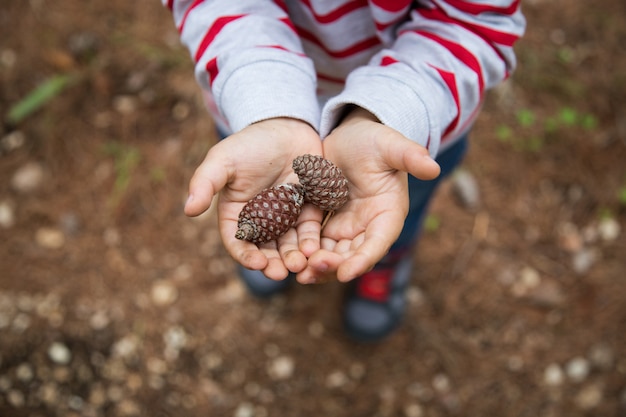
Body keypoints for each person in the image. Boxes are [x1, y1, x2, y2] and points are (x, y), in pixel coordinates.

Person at [163, 0, 526, 341]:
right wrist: (268, 103)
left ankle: (387, 259)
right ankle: (273, 251)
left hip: (408, 123)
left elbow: (470, 23)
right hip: (254, 111)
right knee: (274, 180)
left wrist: (392, 111)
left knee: (397, 207)